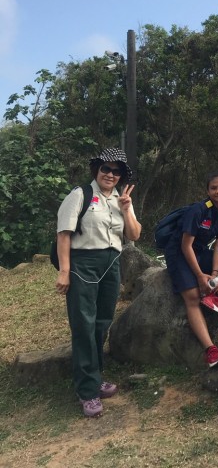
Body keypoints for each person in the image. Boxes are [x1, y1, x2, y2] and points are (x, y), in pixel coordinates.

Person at [55, 148, 141, 418]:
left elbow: (134, 234)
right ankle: (87, 391)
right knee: (84, 325)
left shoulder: (121, 199)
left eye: (116, 171)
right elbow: (64, 234)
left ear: (121, 176)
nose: (110, 175)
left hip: (111, 264)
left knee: (102, 323)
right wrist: (65, 271)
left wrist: (126, 210)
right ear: (97, 170)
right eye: (106, 169)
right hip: (83, 264)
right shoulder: (80, 195)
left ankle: (94, 377)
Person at [164, 172, 218, 369]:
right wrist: (199, 276)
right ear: (207, 191)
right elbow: (185, 246)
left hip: (200, 252)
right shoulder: (198, 210)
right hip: (179, 253)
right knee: (193, 297)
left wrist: (213, 274)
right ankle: (211, 350)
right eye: (214, 188)